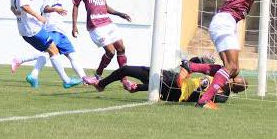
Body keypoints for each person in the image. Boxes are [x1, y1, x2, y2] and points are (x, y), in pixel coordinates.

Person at [10, 0, 83, 89]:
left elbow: (13, 8)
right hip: (32, 28)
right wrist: (39, 17)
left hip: (24, 29)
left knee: (50, 51)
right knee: (52, 51)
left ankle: (29, 70)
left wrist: (21, 18)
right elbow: (24, 6)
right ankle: (66, 80)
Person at [94, 57, 247, 104]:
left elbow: (195, 97)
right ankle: (101, 84)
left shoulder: (220, 97)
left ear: (234, 89)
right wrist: (197, 61)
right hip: (172, 78)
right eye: (231, 78)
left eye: (233, 84)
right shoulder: (220, 74)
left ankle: (136, 88)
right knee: (126, 69)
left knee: (158, 85)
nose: (228, 80)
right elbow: (197, 66)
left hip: (174, 93)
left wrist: (140, 88)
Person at [72, 0, 132, 81]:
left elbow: (104, 6)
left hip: (107, 22)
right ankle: (99, 74)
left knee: (121, 48)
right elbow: (75, 6)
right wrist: (74, 26)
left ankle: (124, 79)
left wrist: (119, 14)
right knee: (111, 51)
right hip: (95, 26)